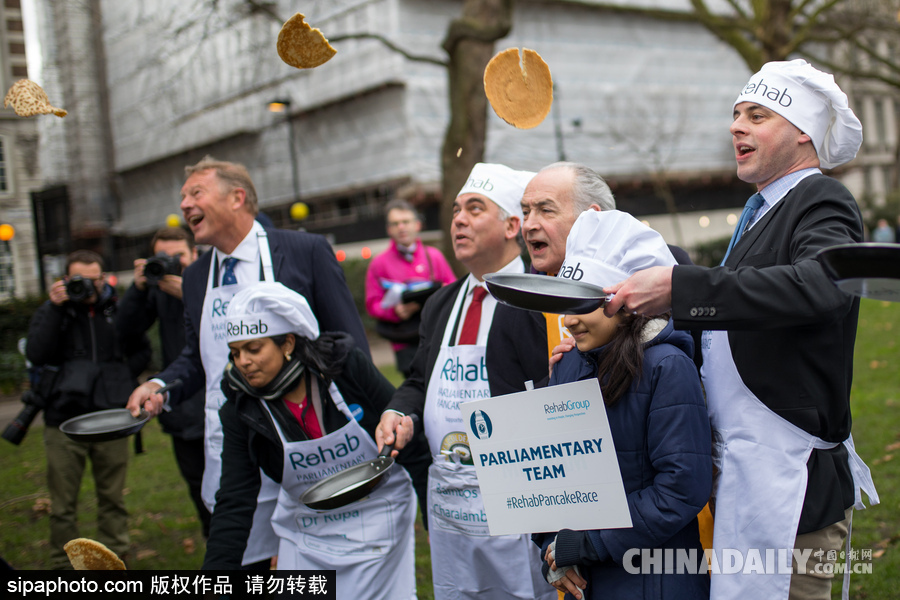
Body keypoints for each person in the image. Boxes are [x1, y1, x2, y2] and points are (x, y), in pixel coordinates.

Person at [604, 59, 879, 600]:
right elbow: (725, 332)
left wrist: (680, 287)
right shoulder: (760, 212)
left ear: (803, 132)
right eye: (735, 115)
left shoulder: (820, 198)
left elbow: (821, 287)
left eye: (756, 115)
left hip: (792, 484)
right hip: (744, 473)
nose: (735, 126)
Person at [126, 156, 370, 569]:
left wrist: (369, 422)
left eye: (196, 193)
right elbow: (198, 357)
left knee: (325, 565)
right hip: (235, 442)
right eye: (183, 196)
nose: (184, 205)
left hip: (308, 442)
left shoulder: (304, 252)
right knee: (243, 557)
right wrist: (160, 386)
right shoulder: (196, 276)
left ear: (237, 197)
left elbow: (349, 346)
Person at [376, 163, 557, 600]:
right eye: (456, 210)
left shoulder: (540, 298)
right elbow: (419, 379)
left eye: (475, 209)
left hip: (522, 498)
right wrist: (400, 410)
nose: (458, 219)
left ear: (512, 226)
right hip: (453, 506)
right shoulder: (441, 303)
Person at [202, 282, 423, 598]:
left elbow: (407, 438)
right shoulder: (241, 409)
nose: (243, 362)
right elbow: (235, 497)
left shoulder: (344, 368)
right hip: (306, 528)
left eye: (253, 349)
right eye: (235, 353)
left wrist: (434, 515)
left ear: (288, 343)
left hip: (377, 517)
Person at [534, 210, 711, 600]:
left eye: (583, 305)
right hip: (589, 580)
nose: (568, 321)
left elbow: (682, 486)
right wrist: (553, 546)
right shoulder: (568, 365)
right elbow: (548, 473)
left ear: (626, 303)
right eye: (566, 305)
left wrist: (593, 542)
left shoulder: (667, 367)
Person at [26, 250, 151, 569]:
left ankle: (114, 559)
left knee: (112, 496)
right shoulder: (55, 311)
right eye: (79, 279)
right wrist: (55, 308)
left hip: (112, 420)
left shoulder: (117, 310)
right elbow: (37, 353)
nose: (88, 286)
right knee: (62, 503)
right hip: (63, 420)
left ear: (103, 278)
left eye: (94, 279)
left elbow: (143, 350)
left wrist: (118, 377)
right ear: (66, 279)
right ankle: (62, 565)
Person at [117, 226, 210, 537]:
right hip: (181, 406)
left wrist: (192, 294)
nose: (171, 263)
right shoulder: (157, 288)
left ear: (194, 253)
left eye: (178, 256)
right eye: (162, 257)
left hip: (218, 401)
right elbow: (124, 332)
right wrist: (138, 288)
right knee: (198, 485)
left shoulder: (211, 280)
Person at [365, 199, 456, 377]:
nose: (401, 227)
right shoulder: (378, 263)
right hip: (404, 341)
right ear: (388, 229)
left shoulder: (434, 256)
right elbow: (372, 304)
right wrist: (395, 311)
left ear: (417, 224)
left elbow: (453, 290)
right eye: (395, 223)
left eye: (405, 221)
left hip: (436, 334)